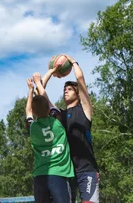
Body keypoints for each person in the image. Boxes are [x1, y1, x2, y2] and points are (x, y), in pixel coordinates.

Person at [43, 55, 99, 202]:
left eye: (69, 89)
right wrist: (51, 71)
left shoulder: (85, 109)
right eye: (64, 89)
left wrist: (72, 61)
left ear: (78, 94)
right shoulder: (60, 114)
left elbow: (80, 79)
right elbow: (41, 94)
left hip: (87, 170)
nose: (65, 91)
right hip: (67, 171)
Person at [26, 73, 74, 203]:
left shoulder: (33, 127)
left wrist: (31, 91)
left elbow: (28, 112)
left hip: (40, 175)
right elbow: (47, 101)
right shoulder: (58, 121)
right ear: (48, 107)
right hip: (59, 174)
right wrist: (39, 83)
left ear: (35, 112)